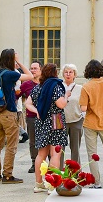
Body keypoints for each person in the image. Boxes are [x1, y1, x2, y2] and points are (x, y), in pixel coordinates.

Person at [0, 49, 33, 184]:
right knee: (11, 146)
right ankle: (7, 175)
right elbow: (30, 76)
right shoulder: (11, 74)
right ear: (11, 59)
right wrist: (19, 62)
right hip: (9, 112)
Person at [28, 63, 68, 193]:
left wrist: (37, 111)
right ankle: (52, 184)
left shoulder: (39, 87)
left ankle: (38, 184)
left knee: (41, 154)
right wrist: (67, 95)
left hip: (42, 121)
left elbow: (28, 103)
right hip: (56, 119)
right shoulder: (56, 86)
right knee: (55, 153)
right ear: (55, 73)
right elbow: (61, 104)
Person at [20, 61, 42, 171]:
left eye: (35, 68)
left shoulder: (45, 83)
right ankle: (34, 162)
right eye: (31, 68)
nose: (33, 70)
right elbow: (15, 95)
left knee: (46, 140)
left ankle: (49, 161)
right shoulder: (26, 85)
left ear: (41, 70)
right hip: (31, 117)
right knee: (33, 141)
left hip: (44, 117)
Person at [61, 64, 84, 163]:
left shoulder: (80, 88)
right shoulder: (59, 86)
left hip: (76, 120)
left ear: (75, 74)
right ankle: (59, 170)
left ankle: (75, 171)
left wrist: (83, 116)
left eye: (71, 72)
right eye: (66, 72)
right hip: (61, 120)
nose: (68, 74)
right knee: (59, 148)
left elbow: (84, 104)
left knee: (75, 148)